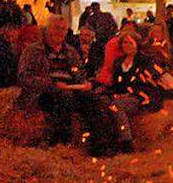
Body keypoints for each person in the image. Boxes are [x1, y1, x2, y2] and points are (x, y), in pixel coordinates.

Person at [17, 15, 111, 151]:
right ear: (47, 29)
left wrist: (86, 84)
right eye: (56, 28)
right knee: (64, 97)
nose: (59, 32)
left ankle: (100, 145)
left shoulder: (71, 52)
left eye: (63, 29)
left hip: (70, 89)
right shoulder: (33, 51)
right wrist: (52, 84)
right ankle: (60, 143)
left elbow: (79, 74)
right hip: (43, 93)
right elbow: (24, 77)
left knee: (93, 100)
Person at [106, 34, 160, 154]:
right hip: (120, 96)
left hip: (139, 96)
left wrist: (130, 94)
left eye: (130, 43)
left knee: (117, 106)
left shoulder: (145, 60)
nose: (127, 46)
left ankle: (126, 142)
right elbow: (115, 83)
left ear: (137, 44)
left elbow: (147, 82)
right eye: (125, 43)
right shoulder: (118, 62)